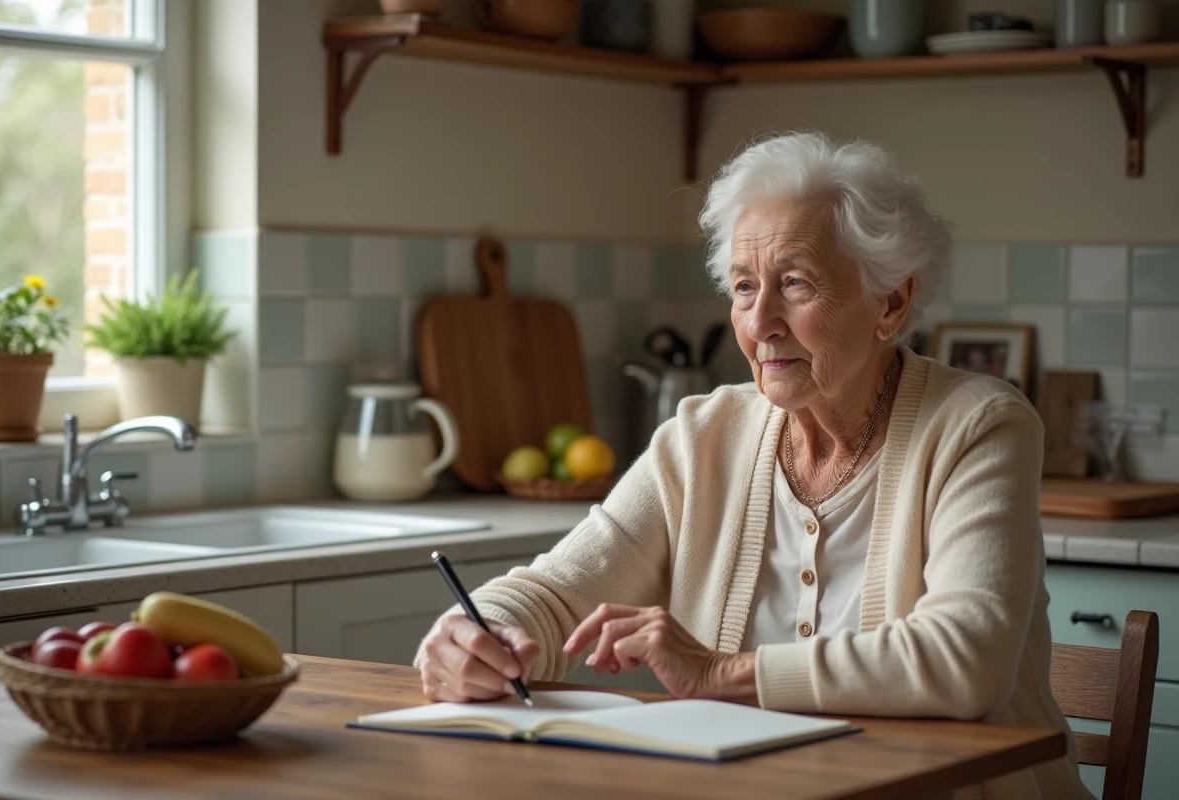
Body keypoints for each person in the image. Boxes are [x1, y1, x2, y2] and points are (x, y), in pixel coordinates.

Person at [415, 131, 1090, 799]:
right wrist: (478, 633)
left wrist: (719, 673)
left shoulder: (979, 424)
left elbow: (966, 660)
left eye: (795, 283)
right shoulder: (703, 437)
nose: (761, 321)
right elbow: (560, 591)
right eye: (744, 287)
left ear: (890, 303)